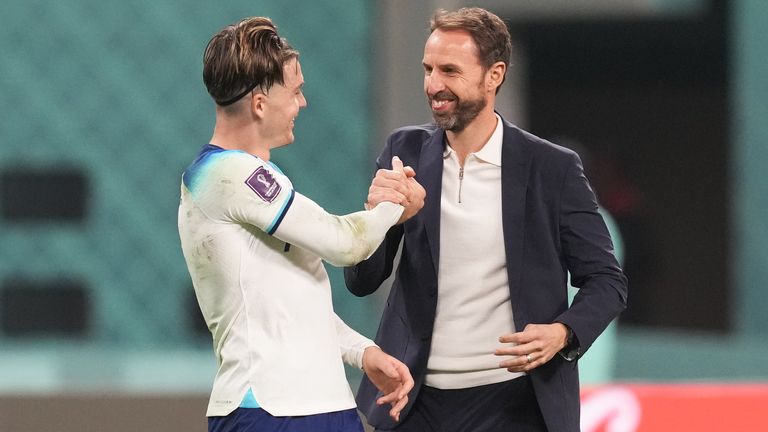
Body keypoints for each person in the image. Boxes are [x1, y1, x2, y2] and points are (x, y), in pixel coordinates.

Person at [345, 7, 628, 432]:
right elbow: (362, 280)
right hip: (414, 400)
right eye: (427, 69)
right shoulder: (403, 149)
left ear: (494, 75)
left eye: (450, 71)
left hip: (514, 403)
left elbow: (607, 281)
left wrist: (563, 333)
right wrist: (376, 220)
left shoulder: (552, 169)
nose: (433, 85)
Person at [178, 17, 419, 432]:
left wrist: (362, 352)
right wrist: (395, 204)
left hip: (317, 407)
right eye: (295, 91)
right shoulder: (232, 176)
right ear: (258, 104)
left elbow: (294, 303)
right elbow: (344, 243)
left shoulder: (243, 180)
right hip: (271, 412)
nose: (302, 103)